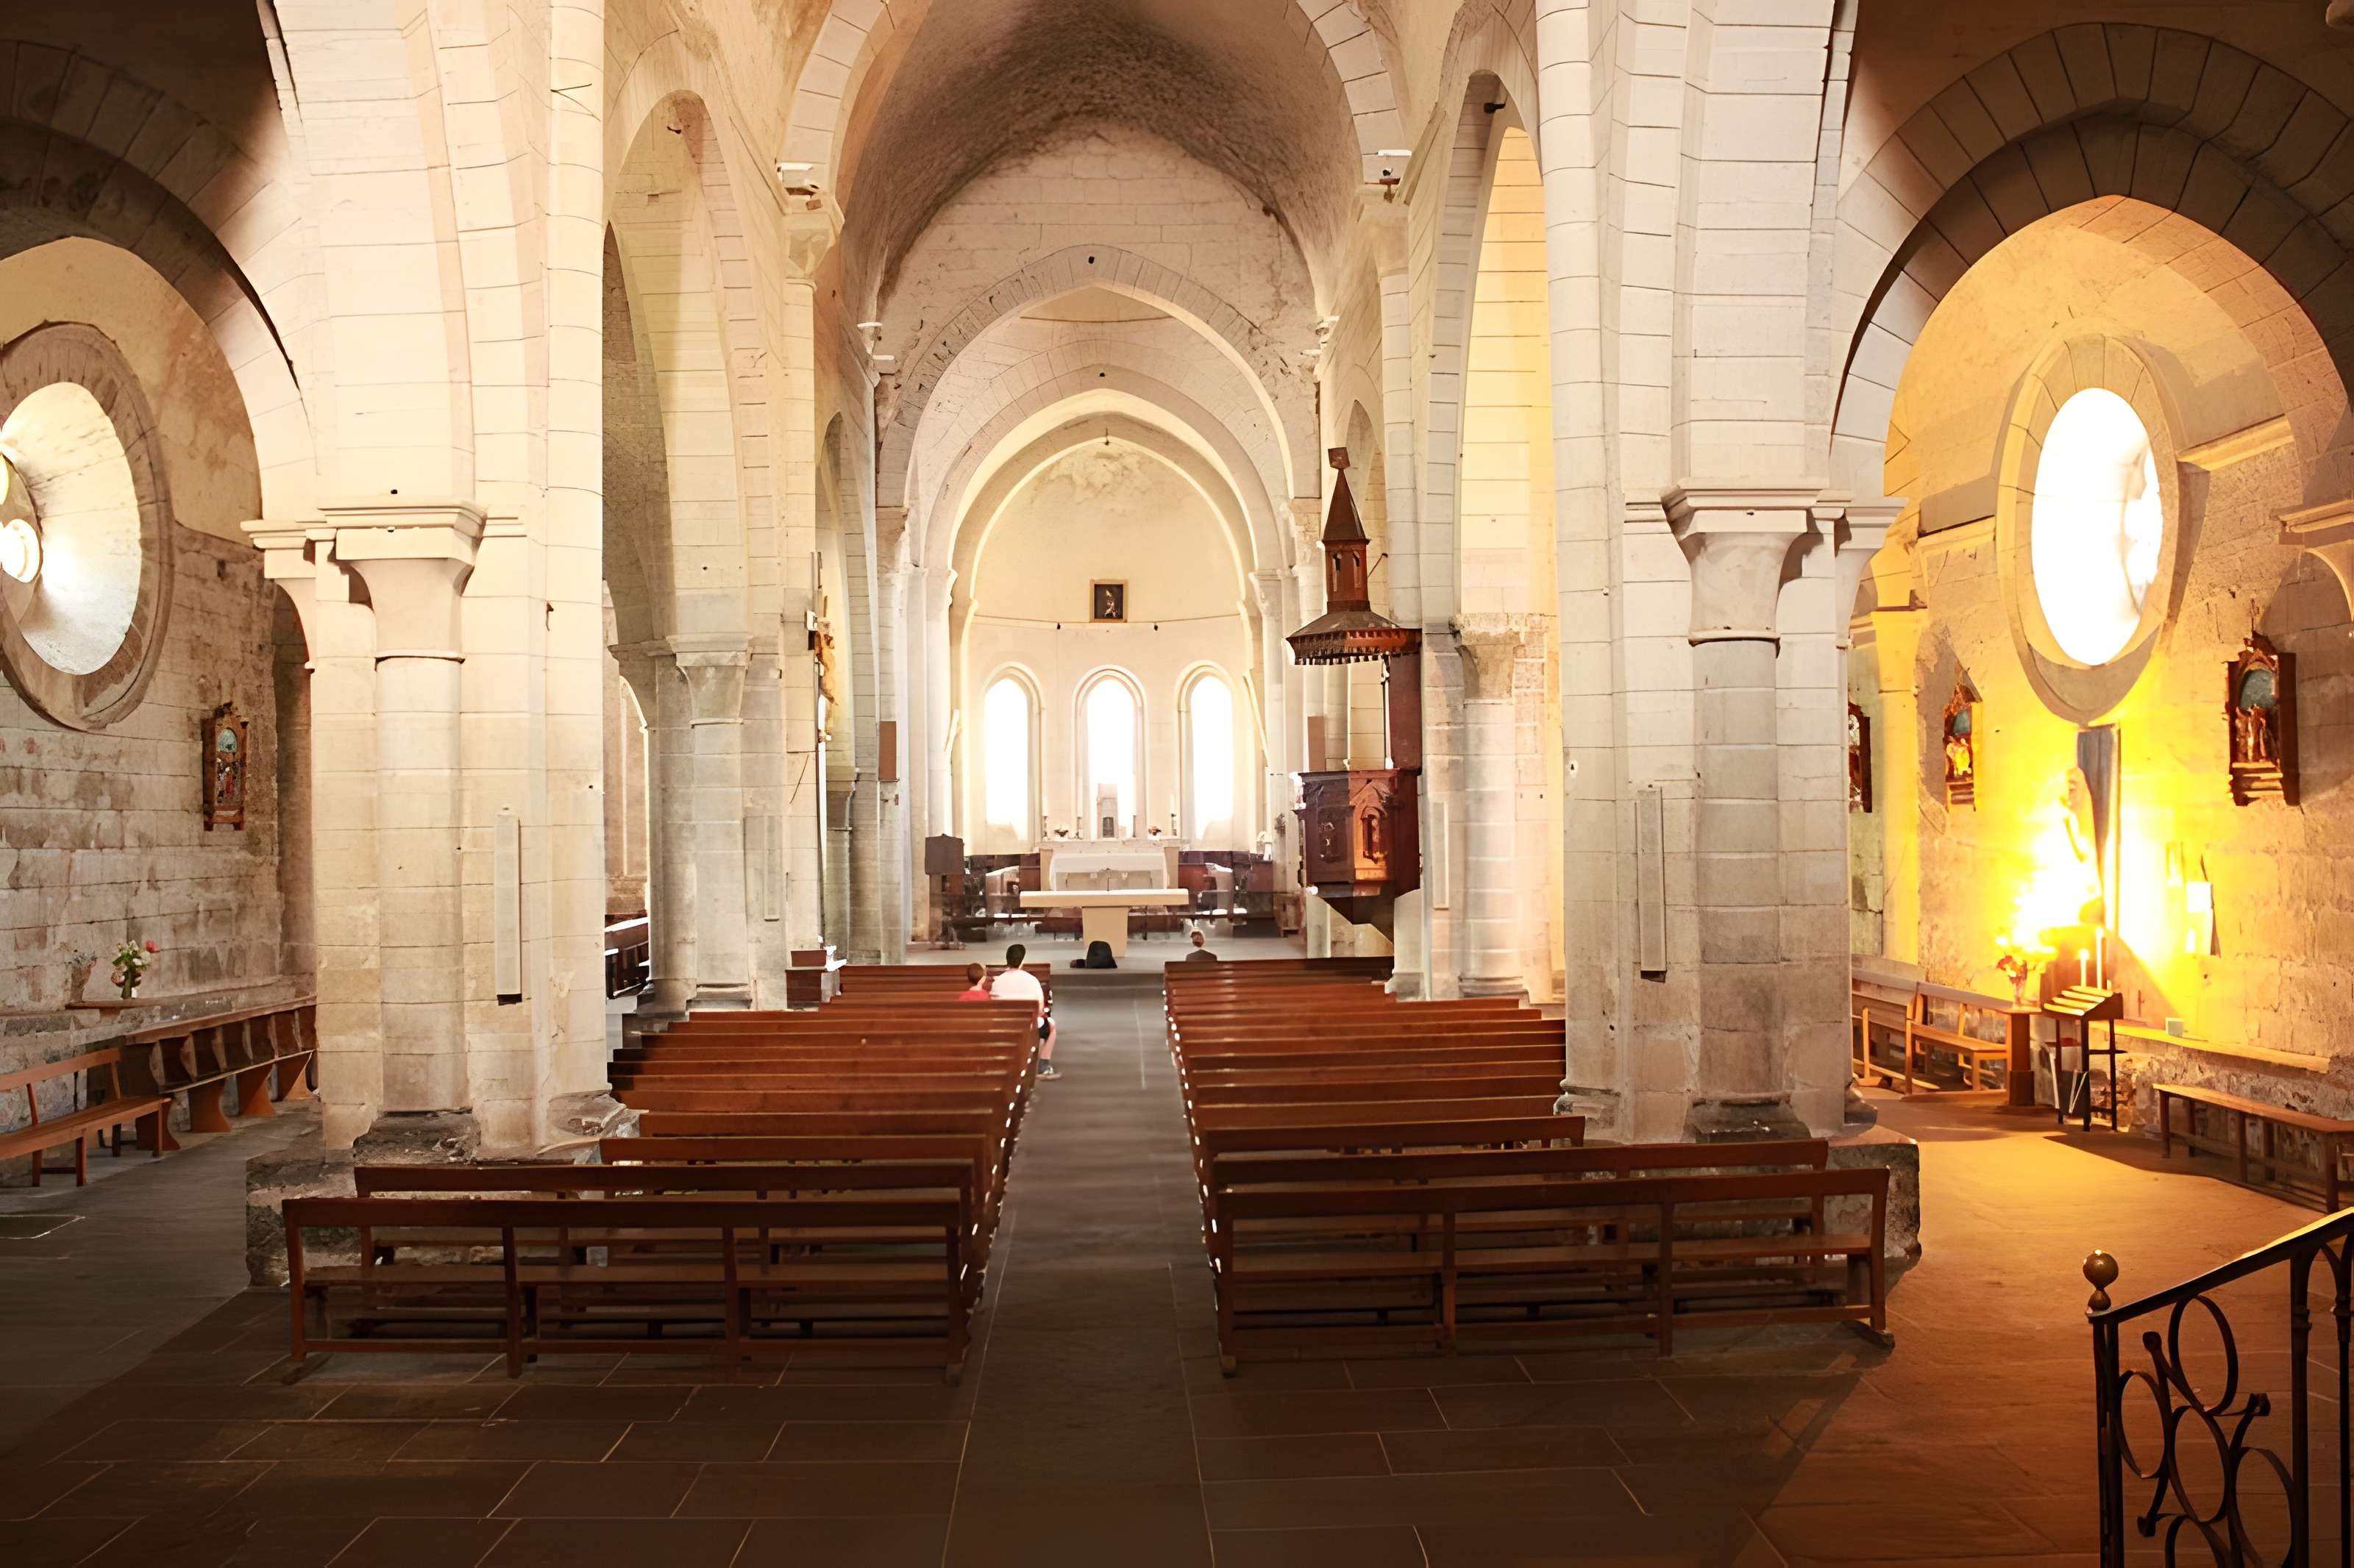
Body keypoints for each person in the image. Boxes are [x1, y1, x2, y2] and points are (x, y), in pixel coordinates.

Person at [989, 941, 1058, 1079]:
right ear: (1022, 961)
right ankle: (1043, 1066)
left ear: (1007, 960)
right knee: (1051, 1026)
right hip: (1029, 1025)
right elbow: (1039, 1008)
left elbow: (993, 1006)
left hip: (1003, 1025)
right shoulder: (1032, 980)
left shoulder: (998, 982)